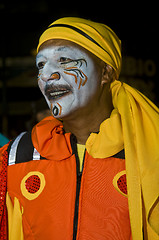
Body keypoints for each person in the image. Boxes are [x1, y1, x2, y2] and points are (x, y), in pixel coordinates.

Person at [0, 17, 159, 240]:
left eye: (64, 60)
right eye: (41, 65)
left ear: (106, 72)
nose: (47, 75)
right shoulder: (19, 155)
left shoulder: (149, 152)